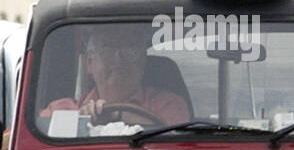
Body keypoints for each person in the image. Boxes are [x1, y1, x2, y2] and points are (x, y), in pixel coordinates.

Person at [41, 29, 189, 128]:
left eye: (131, 50)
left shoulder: (168, 105)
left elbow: (174, 143)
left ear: (143, 62)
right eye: (109, 48)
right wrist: (78, 123)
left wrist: (117, 115)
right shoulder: (60, 110)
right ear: (90, 63)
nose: (119, 58)